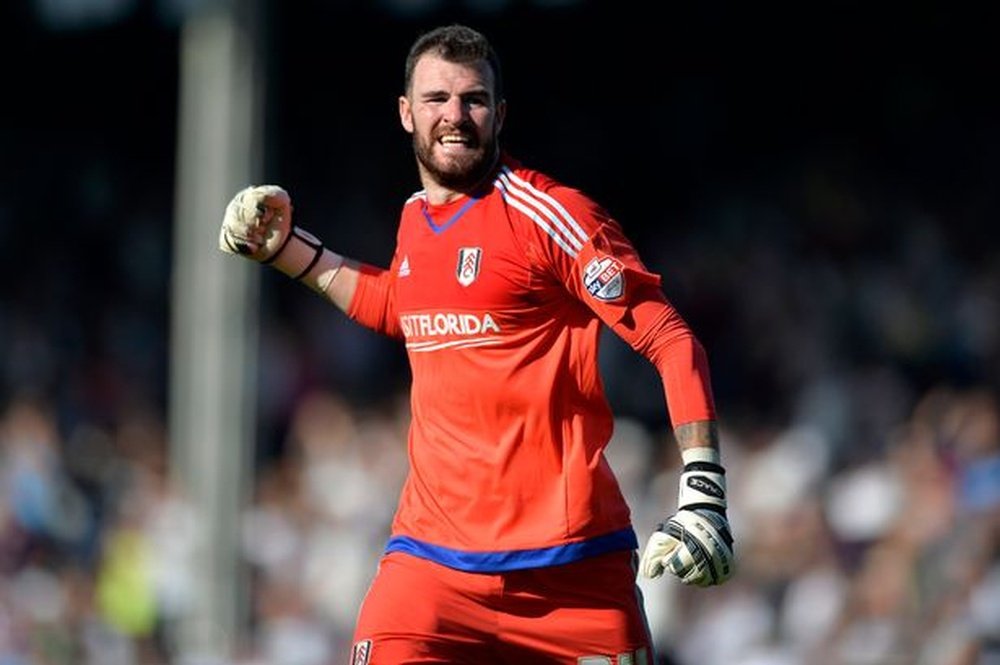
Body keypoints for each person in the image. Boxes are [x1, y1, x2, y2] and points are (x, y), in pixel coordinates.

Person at [219, 23, 734, 665]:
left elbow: (670, 337)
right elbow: (404, 308)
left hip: (571, 573)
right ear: (406, 113)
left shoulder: (553, 215)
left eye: (474, 99)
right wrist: (289, 251)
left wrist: (703, 485)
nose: (455, 117)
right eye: (436, 99)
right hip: (431, 568)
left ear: (500, 112)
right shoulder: (416, 217)